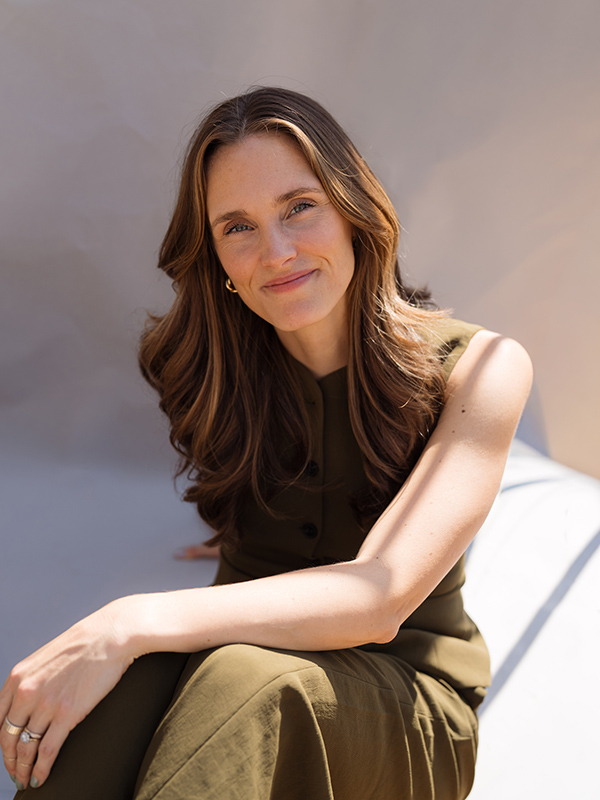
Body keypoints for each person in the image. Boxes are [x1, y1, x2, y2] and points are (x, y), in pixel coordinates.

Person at [0, 86, 532, 799]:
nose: (276, 252)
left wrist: (129, 620)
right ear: (217, 256)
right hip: (233, 676)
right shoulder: (209, 371)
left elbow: (379, 598)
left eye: (299, 207)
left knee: (242, 675)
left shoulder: (482, 369)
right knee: (120, 694)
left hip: (406, 704)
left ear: (353, 209)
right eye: (238, 227)